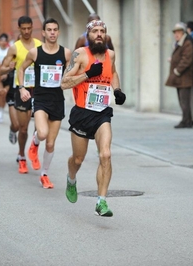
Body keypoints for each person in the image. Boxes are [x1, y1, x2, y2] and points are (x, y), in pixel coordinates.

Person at [61, 20, 126, 217]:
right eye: (95, 31)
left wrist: (117, 90)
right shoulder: (80, 54)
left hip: (102, 113)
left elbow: (113, 72)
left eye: (102, 31)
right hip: (82, 113)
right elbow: (64, 83)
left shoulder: (110, 55)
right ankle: (71, 179)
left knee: (105, 154)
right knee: (78, 159)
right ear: (88, 35)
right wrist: (88, 74)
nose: (99, 34)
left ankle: (102, 201)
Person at [18, 18, 71, 188]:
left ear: (59, 32)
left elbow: (70, 75)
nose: (52, 32)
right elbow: (21, 68)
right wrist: (22, 88)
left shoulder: (66, 54)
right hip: (40, 99)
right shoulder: (35, 52)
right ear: (43, 33)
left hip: (57, 101)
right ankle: (33, 145)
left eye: (55, 29)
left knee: (50, 143)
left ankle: (44, 174)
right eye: (49, 30)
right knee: (42, 133)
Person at [0, 16, 42, 174]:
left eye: (29, 28)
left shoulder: (39, 45)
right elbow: (1, 70)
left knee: (40, 129)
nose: (26, 31)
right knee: (23, 129)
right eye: (23, 28)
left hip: (38, 90)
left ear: (32, 27)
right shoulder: (14, 48)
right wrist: (8, 68)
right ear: (19, 28)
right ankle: (22, 156)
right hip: (21, 89)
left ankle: (34, 149)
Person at [165, 22, 193, 128]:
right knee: (182, 100)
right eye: (175, 32)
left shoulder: (187, 43)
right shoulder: (180, 43)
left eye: (178, 32)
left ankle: (186, 121)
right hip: (181, 78)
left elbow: (186, 59)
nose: (176, 34)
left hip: (184, 77)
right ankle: (187, 119)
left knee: (185, 101)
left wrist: (177, 71)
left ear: (183, 32)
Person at [0, 33, 9, 123]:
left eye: (5, 41)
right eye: (1, 40)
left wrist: (6, 73)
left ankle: (2, 109)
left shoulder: (9, 51)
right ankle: (0, 110)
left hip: (6, 75)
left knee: (4, 94)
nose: (3, 42)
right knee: (0, 93)